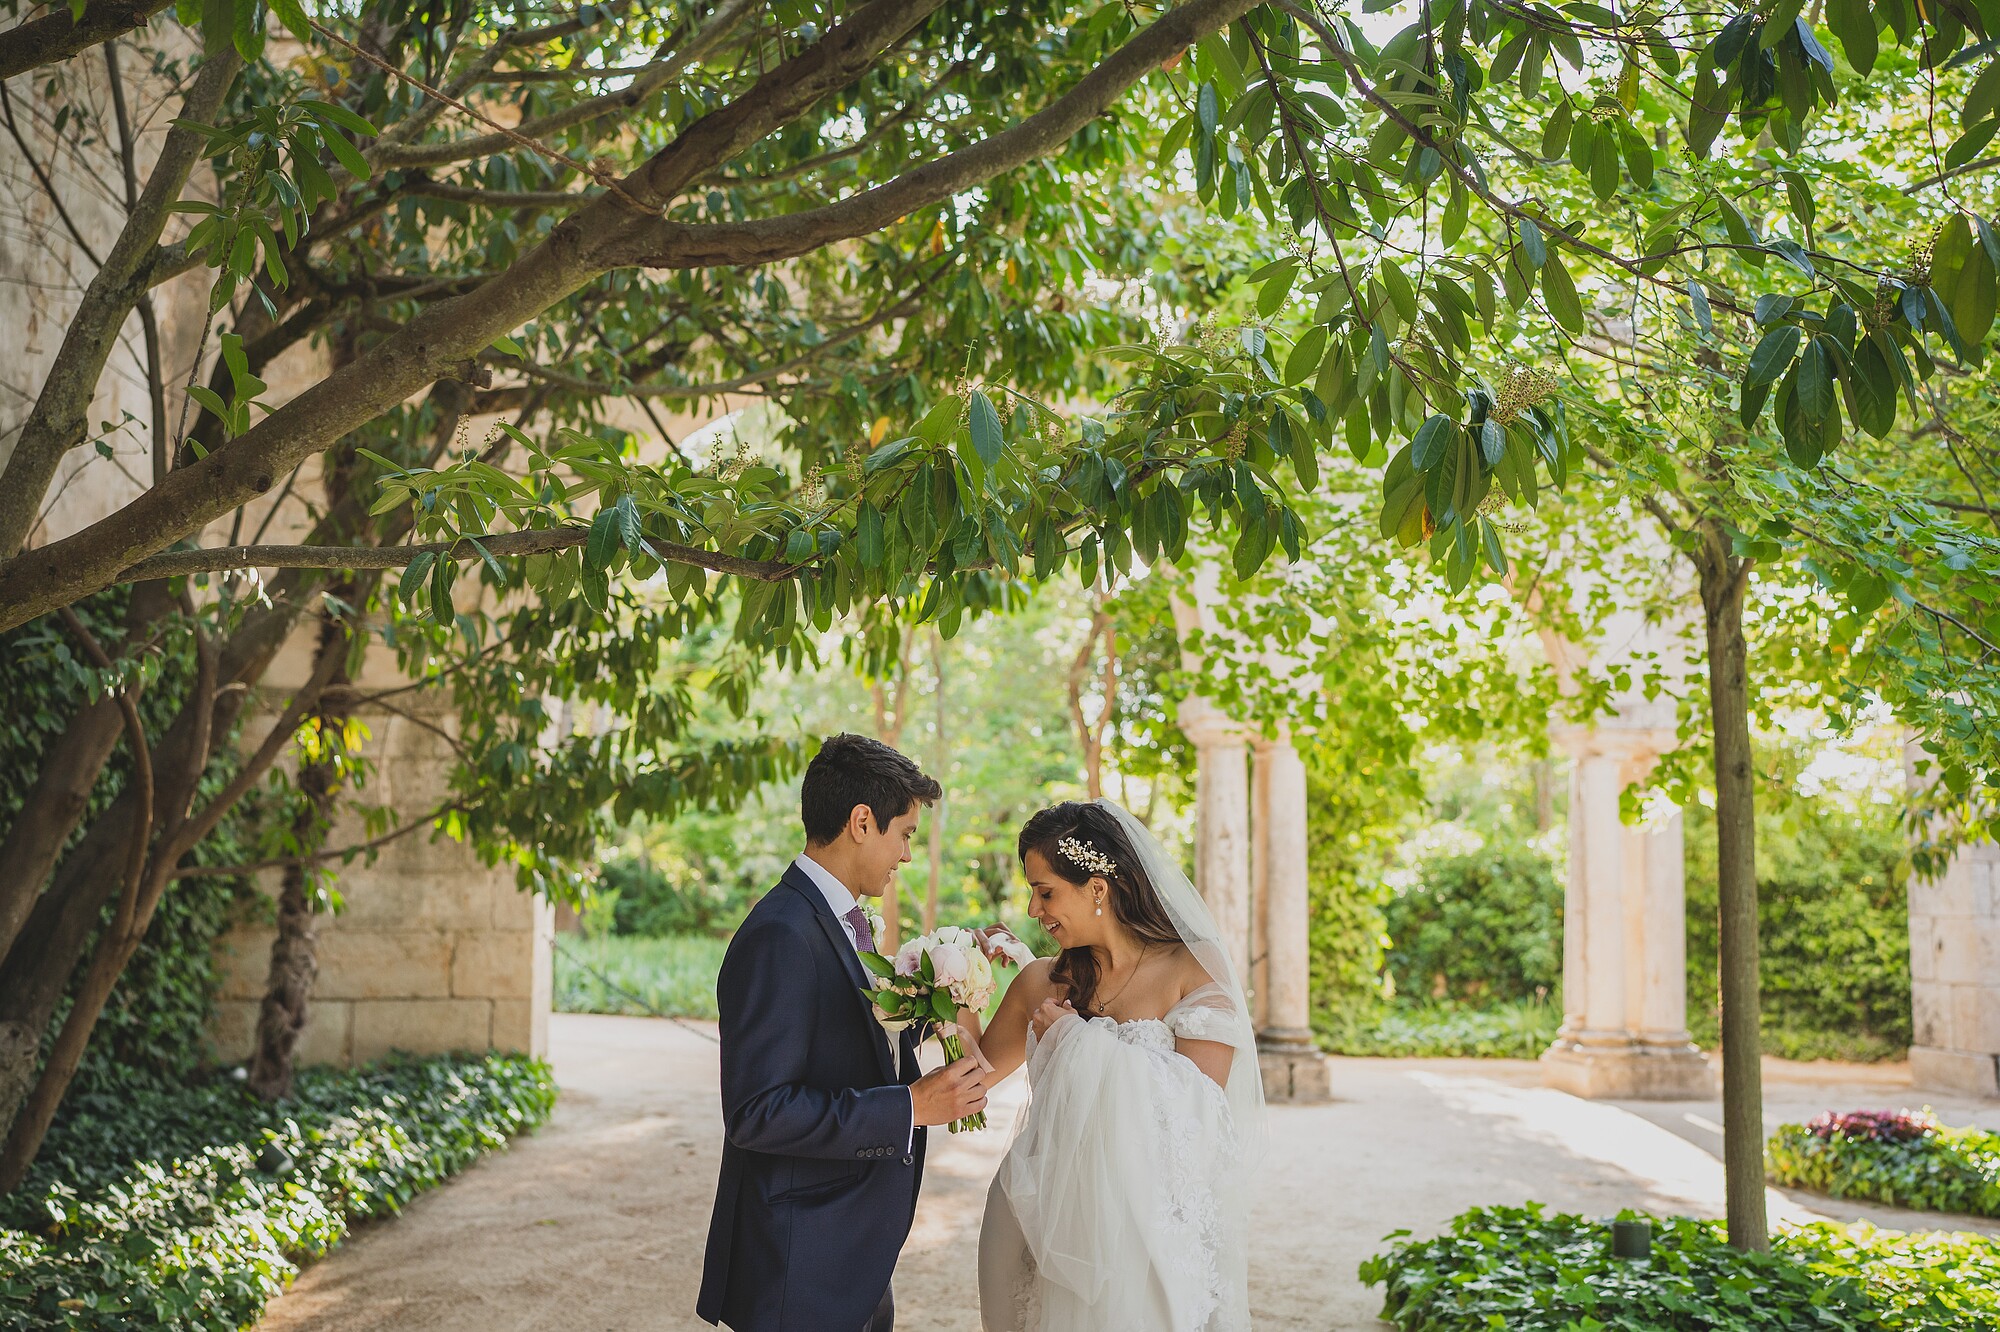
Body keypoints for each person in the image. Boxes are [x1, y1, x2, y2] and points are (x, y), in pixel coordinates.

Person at [698, 733, 1001, 1332]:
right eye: (905, 834)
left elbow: (850, 1046)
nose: (906, 855)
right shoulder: (781, 934)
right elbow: (757, 1112)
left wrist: (946, 987)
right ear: (862, 822)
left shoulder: (840, 920)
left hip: (845, 1254)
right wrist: (909, 1108)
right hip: (798, 1265)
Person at [962, 798, 1267, 1332]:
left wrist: (1072, 1040)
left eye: (1045, 892)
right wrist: (963, 982)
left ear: (1098, 888)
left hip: (1140, 1233)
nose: (1033, 910)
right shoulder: (1040, 982)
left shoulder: (1193, 968)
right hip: (1034, 1211)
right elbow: (969, 1084)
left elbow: (1199, 1115)